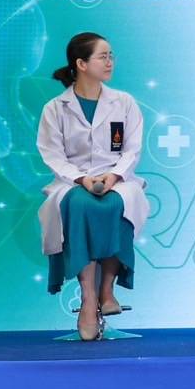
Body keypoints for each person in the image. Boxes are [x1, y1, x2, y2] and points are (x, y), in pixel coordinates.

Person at [36, 33, 147, 340]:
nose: (110, 62)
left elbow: (132, 149)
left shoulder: (124, 103)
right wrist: (82, 179)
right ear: (81, 64)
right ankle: (88, 298)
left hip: (117, 179)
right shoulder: (55, 108)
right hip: (72, 181)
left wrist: (113, 177)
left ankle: (107, 290)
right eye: (102, 56)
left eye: (111, 56)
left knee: (116, 203)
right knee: (80, 203)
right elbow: (52, 154)